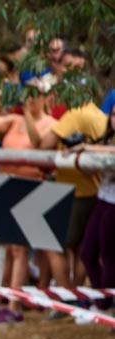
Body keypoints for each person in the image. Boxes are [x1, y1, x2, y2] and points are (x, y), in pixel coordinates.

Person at [0, 75, 57, 322]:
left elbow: (38, 144)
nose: (31, 100)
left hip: (30, 188)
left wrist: (27, 113)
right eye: (28, 95)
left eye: (36, 96)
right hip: (4, 183)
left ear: (45, 98)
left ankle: (14, 305)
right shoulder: (13, 120)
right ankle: (0, 298)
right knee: (4, 245)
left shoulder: (51, 124)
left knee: (20, 249)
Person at [36, 80, 109, 307]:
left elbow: (44, 146)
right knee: (82, 251)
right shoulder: (101, 115)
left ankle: (67, 297)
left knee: (52, 244)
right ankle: (80, 296)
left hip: (74, 193)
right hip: (95, 192)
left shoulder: (74, 115)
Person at [77, 109, 115, 305]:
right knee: (87, 252)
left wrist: (87, 148)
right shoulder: (106, 141)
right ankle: (102, 299)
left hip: (113, 204)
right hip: (103, 199)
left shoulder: (104, 146)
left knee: (109, 256)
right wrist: (82, 159)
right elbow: (90, 173)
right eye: (114, 114)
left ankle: (104, 301)